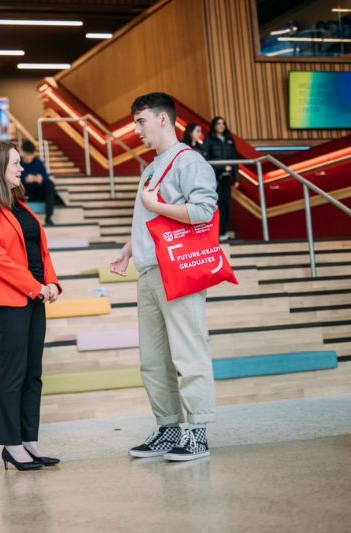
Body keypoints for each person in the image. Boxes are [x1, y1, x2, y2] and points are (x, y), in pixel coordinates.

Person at [109, 92, 218, 462]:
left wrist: (156, 206)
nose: (136, 130)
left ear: (163, 120)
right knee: (153, 360)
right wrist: (129, 247)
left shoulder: (190, 161)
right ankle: (169, 428)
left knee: (188, 353)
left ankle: (198, 432)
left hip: (177, 271)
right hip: (149, 270)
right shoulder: (151, 167)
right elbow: (150, 219)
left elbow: (204, 210)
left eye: (140, 121)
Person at [0, 141, 62, 471]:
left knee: (34, 372)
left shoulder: (21, 205)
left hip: (34, 295)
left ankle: (29, 440)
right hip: (9, 300)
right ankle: (10, 444)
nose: (22, 169)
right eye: (15, 164)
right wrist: (36, 287)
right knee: (14, 373)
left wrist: (51, 284)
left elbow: (41, 252)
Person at [203, 116, 240, 241]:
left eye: (223, 123)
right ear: (214, 125)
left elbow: (234, 160)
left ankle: (222, 232)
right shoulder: (209, 139)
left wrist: (236, 178)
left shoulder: (229, 139)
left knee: (226, 206)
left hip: (226, 178)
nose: (221, 125)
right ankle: (214, 234)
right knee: (216, 206)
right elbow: (206, 160)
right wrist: (222, 167)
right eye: (218, 123)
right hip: (215, 179)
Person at [19, 140, 57, 226]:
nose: (29, 157)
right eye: (27, 155)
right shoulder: (19, 163)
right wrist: (26, 178)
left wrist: (38, 178)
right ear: (23, 153)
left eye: (30, 155)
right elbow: (17, 178)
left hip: (37, 192)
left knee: (49, 184)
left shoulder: (38, 162)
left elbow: (45, 177)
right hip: (24, 192)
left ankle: (48, 217)